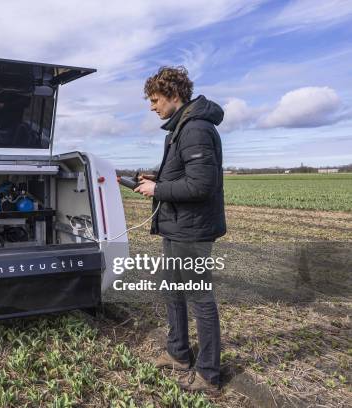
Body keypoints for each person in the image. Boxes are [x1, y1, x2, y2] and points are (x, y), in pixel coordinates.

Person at [134, 66, 226, 394]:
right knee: (172, 288)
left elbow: (201, 185)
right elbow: (184, 176)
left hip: (193, 230)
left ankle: (209, 375)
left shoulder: (195, 129)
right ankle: (178, 353)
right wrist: (158, 181)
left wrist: (157, 191)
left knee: (200, 297)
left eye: (156, 99)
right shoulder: (180, 128)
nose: (152, 106)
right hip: (177, 226)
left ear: (174, 95)